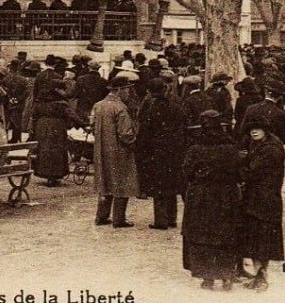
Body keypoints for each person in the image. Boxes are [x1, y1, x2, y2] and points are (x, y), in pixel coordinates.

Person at [182, 110, 241, 291]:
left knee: (202, 235)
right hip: (226, 195)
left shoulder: (195, 148)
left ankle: (207, 276)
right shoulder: (231, 148)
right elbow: (239, 172)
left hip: (201, 196)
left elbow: (187, 172)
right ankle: (227, 275)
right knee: (225, 234)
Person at [238, 116, 285, 291]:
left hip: (263, 199)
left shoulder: (270, 149)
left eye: (257, 128)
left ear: (266, 130)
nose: (254, 131)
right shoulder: (264, 144)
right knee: (258, 239)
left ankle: (262, 276)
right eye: (251, 129)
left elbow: (251, 173)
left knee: (262, 239)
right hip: (261, 198)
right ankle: (259, 275)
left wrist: (241, 162)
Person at [136, 77, 188, 230]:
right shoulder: (176, 106)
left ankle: (161, 220)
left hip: (157, 151)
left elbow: (145, 131)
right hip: (175, 150)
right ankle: (172, 218)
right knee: (172, 184)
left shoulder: (150, 109)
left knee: (159, 186)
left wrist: (141, 149)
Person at [91, 73, 139, 228]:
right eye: (127, 90)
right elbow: (125, 134)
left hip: (101, 150)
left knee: (104, 182)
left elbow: (92, 125)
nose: (129, 93)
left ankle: (101, 216)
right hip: (119, 151)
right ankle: (119, 219)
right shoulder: (120, 108)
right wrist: (134, 143)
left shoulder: (98, 105)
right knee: (122, 182)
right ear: (119, 90)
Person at [32, 78, 82, 187]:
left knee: (45, 150)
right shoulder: (61, 103)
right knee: (56, 151)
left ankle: (45, 173)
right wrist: (83, 124)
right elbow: (72, 115)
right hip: (56, 127)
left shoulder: (40, 101)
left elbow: (34, 115)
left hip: (41, 127)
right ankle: (54, 176)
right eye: (62, 89)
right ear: (56, 90)